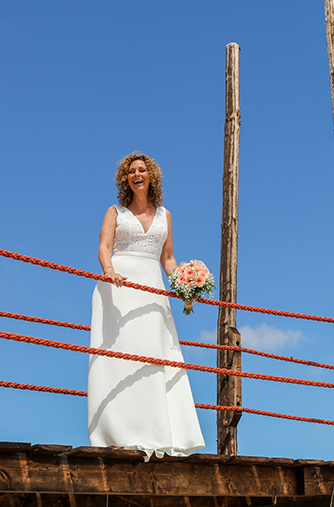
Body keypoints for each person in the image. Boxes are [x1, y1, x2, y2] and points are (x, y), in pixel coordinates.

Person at [87, 152, 205, 459]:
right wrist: (109, 271)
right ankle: (116, 432)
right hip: (118, 289)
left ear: (151, 176)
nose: (136, 174)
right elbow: (104, 247)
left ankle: (155, 432)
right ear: (125, 179)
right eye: (130, 171)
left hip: (152, 288)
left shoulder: (166, 215)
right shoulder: (114, 212)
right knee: (118, 357)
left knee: (152, 356)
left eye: (141, 170)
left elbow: (167, 258)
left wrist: (185, 283)